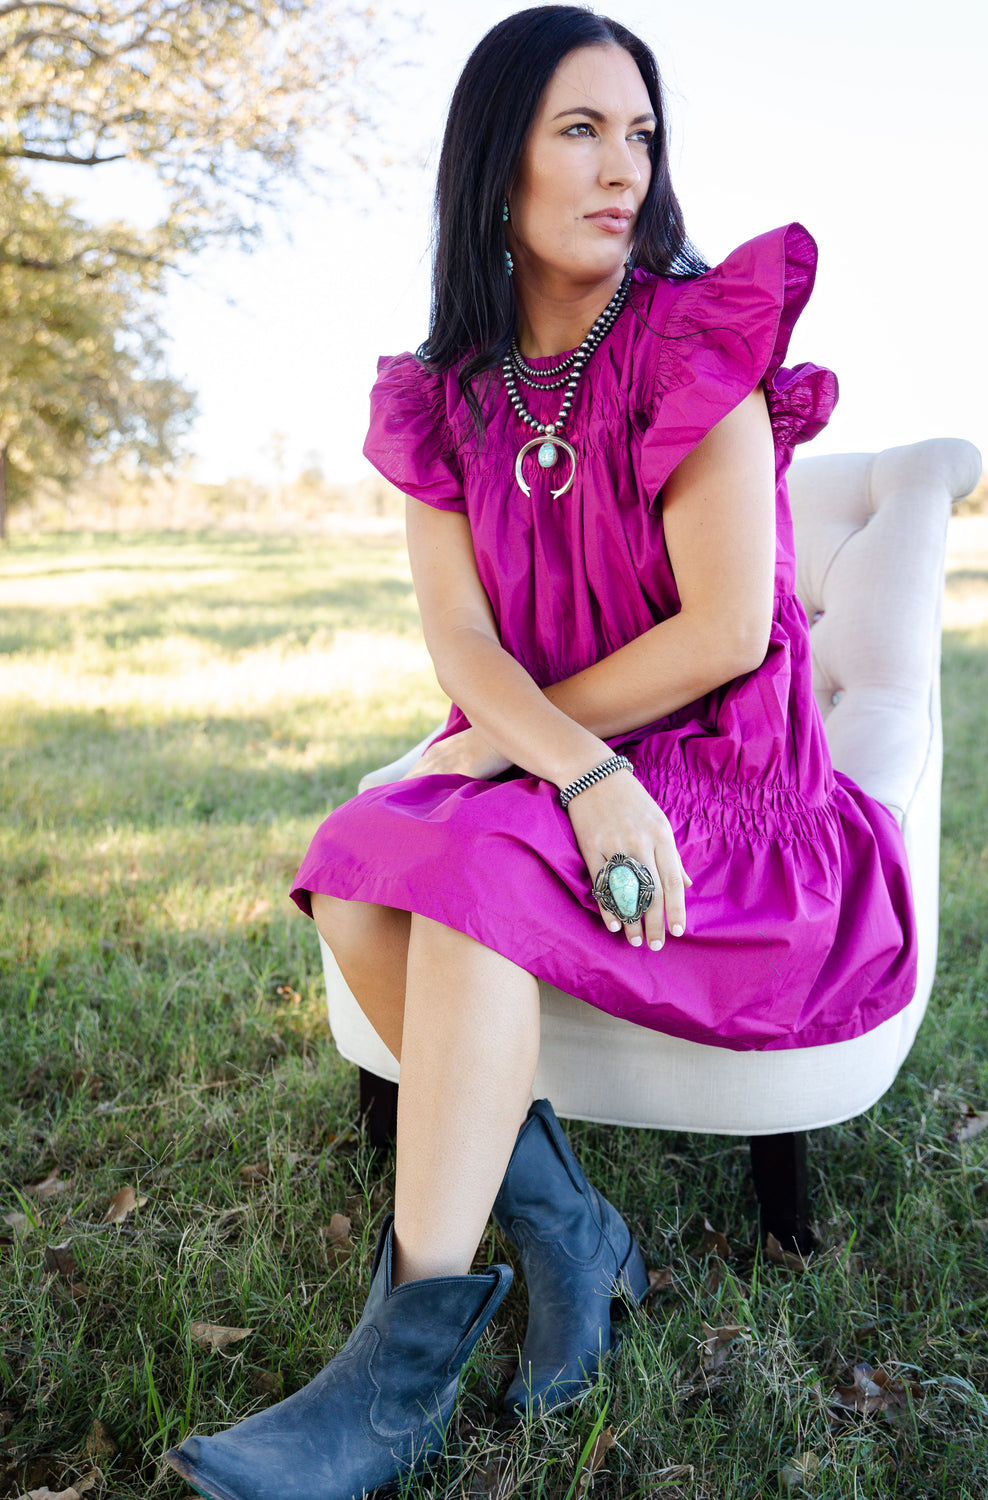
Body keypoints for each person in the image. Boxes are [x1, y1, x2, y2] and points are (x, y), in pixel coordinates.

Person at [166, 7, 916, 1499]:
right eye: (581, 129)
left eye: (640, 133)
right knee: (355, 857)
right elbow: (460, 644)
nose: (622, 166)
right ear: (493, 164)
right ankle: (571, 1222)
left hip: (732, 792)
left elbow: (720, 635)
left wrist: (556, 768)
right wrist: (553, 759)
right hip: (580, 760)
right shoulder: (445, 398)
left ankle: (394, 1375)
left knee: (466, 864)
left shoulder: (695, 343)